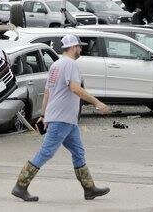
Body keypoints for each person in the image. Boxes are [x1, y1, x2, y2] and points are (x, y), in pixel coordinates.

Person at [11, 34, 111, 202]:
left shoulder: (56, 65)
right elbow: (75, 88)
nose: (81, 49)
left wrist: (43, 115)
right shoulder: (71, 64)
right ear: (73, 47)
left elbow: (48, 92)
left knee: (78, 152)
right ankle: (20, 186)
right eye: (79, 46)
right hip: (62, 118)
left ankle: (89, 189)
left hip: (66, 119)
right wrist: (97, 102)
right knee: (46, 152)